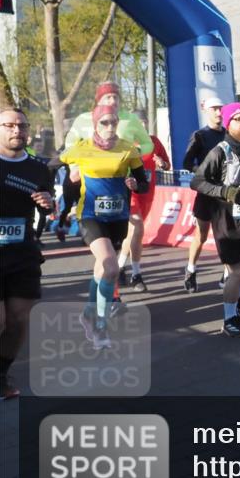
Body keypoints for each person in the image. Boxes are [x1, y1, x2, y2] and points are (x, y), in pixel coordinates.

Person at [61, 105, 147, 349]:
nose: (110, 128)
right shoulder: (81, 148)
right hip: (90, 215)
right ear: (95, 125)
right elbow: (49, 166)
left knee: (101, 269)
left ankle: (88, 313)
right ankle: (100, 325)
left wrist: (134, 184)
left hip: (118, 217)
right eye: (104, 123)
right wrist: (69, 179)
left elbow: (144, 183)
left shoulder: (128, 148)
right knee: (110, 266)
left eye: (114, 122)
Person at [191, 103, 240, 338]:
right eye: (238, 119)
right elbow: (197, 182)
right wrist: (225, 192)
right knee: (236, 271)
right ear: (229, 124)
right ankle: (229, 318)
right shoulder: (219, 152)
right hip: (227, 219)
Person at [0, 108, 55, 398]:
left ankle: (1, 374)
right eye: (8, 125)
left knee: (19, 320)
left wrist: (47, 201)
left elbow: (48, 205)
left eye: (21, 125)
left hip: (22, 251)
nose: (16, 130)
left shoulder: (37, 167)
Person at [118, 110, 171, 291]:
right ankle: (136, 275)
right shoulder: (123, 144)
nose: (140, 126)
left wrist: (161, 164)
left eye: (143, 122)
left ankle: (119, 267)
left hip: (148, 192)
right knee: (138, 229)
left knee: (133, 234)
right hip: (130, 193)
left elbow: (167, 164)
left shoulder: (153, 142)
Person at [181, 96, 226, 292]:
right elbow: (186, 162)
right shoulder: (200, 135)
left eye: (221, 109)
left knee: (227, 235)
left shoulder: (230, 134)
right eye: (214, 109)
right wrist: (203, 172)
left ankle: (228, 273)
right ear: (206, 111)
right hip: (206, 192)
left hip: (226, 193)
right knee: (201, 234)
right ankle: (191, 270)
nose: (218, 112)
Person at [64, 82, 153, 155]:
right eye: (108, 97)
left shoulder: (130, 118)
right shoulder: (83, 119)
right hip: (89, 174)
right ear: (99, 101)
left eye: (115, 97)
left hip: (123, 174)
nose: (113, 101)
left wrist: (134, 153)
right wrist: (75, 167)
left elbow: (148, 144)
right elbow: (70, 144)